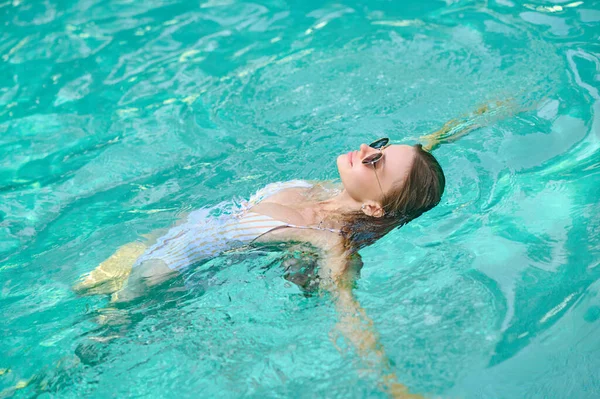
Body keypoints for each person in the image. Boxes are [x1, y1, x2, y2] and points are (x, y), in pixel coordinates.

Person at [74, 102, 503, 398]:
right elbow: (422, 152)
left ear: (373, 207)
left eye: (377, 161)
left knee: (85, 350)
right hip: (151, 244)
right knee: (72, 299)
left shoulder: (327, 237)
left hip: (162, 278)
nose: (369, 151)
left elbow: (347, 308)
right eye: (382, 145)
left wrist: (390, 384)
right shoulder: (333, 189)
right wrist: (473, 120)